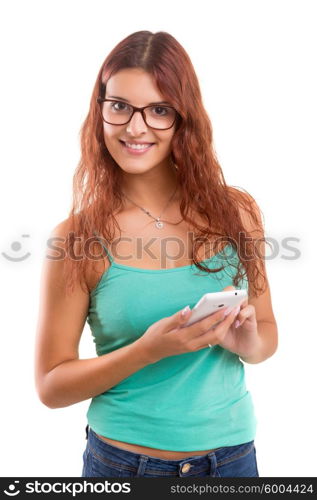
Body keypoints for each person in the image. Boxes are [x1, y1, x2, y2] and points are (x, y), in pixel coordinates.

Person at [34, 30, 278, 478]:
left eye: (159, 110)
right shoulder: (76, 239)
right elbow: (51, 386)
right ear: (100, 111)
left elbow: (266, 334)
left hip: (233, 462)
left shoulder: (238, 213)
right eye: (120, 106)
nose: (135, 127)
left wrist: (248, 343)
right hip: (124, 466)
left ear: (184, 118)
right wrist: (146, 351)